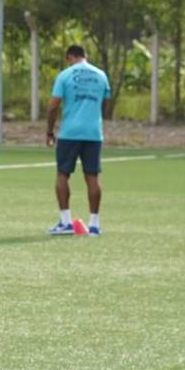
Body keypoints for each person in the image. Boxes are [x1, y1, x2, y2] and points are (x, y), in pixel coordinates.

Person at [45, 43, 111, 235]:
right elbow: (106, 103)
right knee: (92, 177)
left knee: (62, 175)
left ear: (70, 57)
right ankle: (94, 225)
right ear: (85, 55)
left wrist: (49, 131)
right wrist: (96, 119)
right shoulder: (101, 75)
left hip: (70, 133)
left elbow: (53, 106)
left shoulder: (65, 75)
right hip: (93, 133)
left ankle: (65, 222)